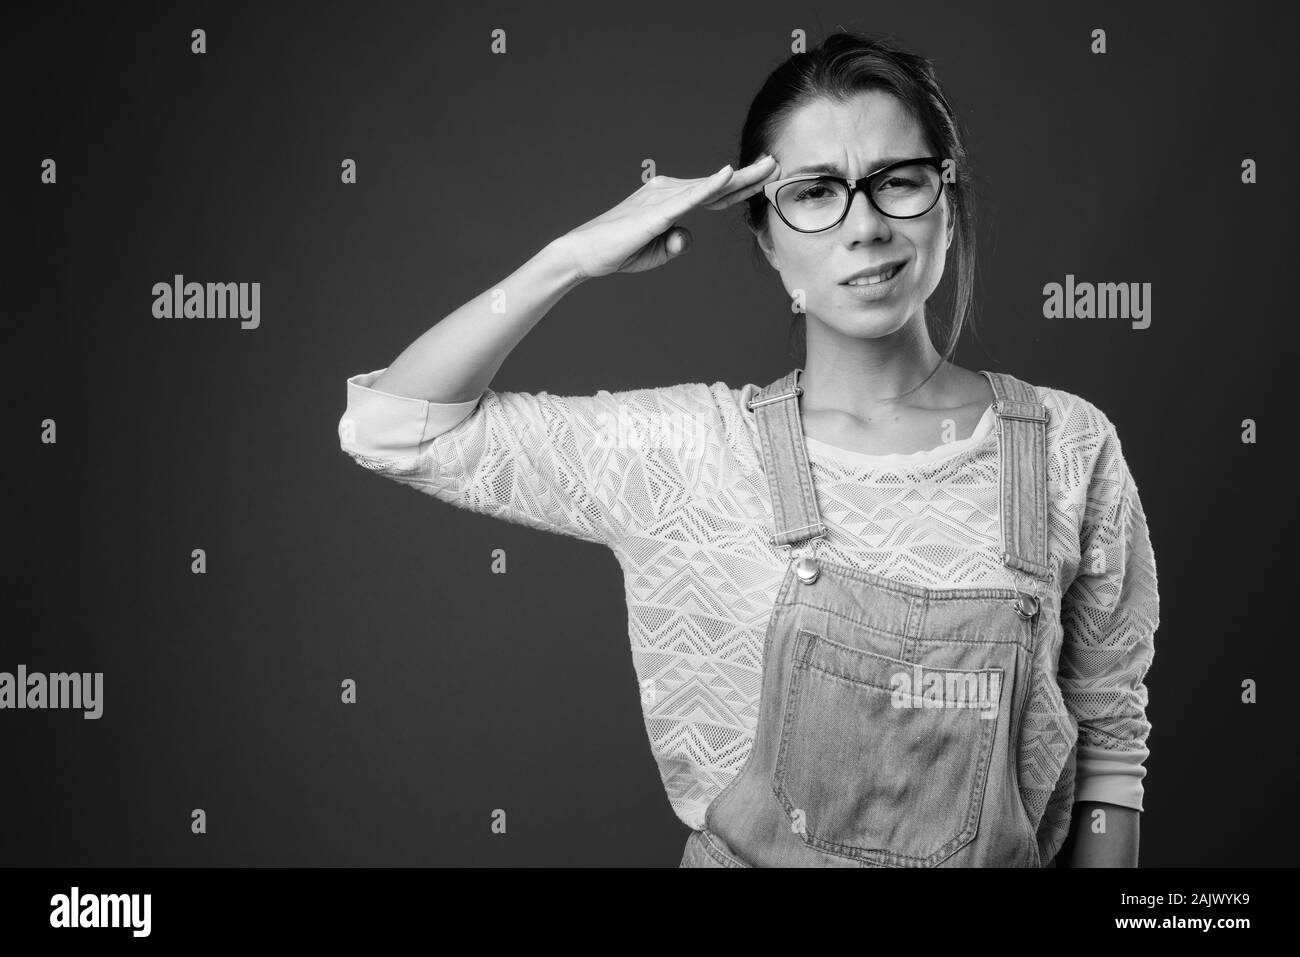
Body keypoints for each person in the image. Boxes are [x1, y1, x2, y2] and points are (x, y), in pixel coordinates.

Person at [337, 31, 1159, 867]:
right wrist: (568, 259)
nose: (865, 225)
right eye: (814, 193)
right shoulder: (690, 453)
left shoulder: (1067, 446)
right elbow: (392, 425)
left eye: (898, 181)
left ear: (948, 199)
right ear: (766, 236)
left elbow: (1108, 745)